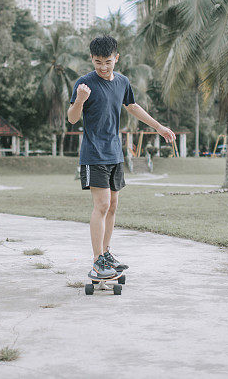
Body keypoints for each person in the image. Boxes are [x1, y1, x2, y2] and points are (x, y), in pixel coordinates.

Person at [67, 36, 176, 280]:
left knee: (113, 205)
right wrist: (81, 100)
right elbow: (72, 118)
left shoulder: (123, 82)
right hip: (93, 153)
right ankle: (97, 262)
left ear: (116, 58)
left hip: (115, 153)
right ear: (91, 60)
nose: (103, 67)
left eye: (107, 62)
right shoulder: (84, 83)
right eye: (97, 62)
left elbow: (132, 106)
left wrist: (158, 126)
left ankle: (106, 254)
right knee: (102, 205)